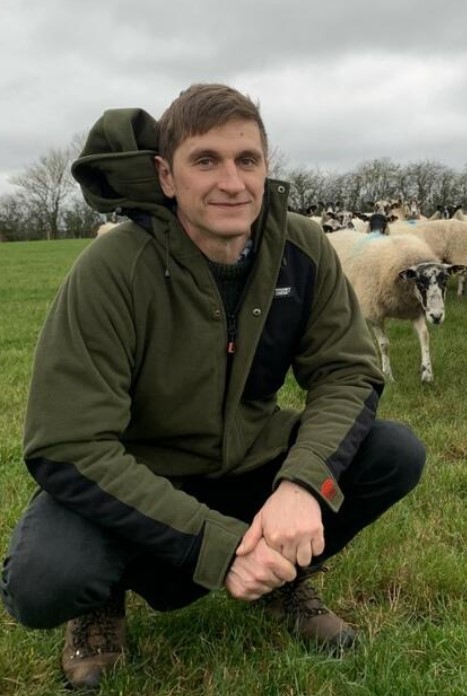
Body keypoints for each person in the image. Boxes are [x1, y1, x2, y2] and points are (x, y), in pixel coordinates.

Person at [0, 83, 425, 691]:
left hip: (248, 459)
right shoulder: (112, 269)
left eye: (246, 160)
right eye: (206, 160)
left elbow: (347, 371)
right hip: (139, 478)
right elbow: (67, 444)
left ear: (265, 167)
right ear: (165, 176)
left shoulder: (301, 248)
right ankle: (98, 607)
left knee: (393, 453)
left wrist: (303, 482)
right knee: (46, 580)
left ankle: (279, 581)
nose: (232, 182)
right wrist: (220, 545)